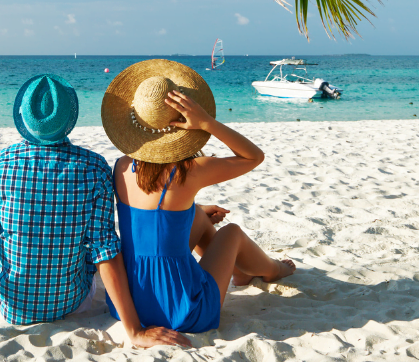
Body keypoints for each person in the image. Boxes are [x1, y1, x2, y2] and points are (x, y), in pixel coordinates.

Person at [0, 73, 189, 349]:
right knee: (89, 241)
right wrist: (133, 330)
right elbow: (104, 250)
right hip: (72, 302)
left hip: (11, 308)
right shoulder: (94, 167)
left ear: (23, 117)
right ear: (70, 119)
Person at [100, 60, 295, 334]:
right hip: (183, 309)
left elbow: (151, 218)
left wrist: (196, 210)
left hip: (129, 303)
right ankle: (273, 270)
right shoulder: (189, 170)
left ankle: (239, 272)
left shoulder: (122, 166)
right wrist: (207, 122)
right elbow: (254, 156)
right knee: (232, 233)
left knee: (197, 214)